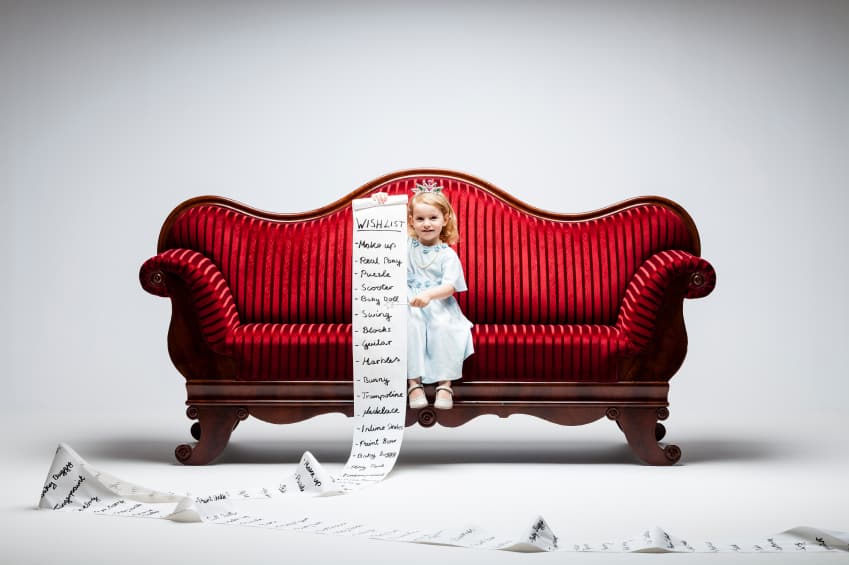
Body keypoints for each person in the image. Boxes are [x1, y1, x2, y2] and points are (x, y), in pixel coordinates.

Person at [372, 181, 474, 410]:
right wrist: (380, 204)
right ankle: (413, 383)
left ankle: (445, 384)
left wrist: (428, 295)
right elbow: (382, 232)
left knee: (444, 327)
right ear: (411, 221)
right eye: (420, 219)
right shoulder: (406, 245)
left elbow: (450, 286)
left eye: (433, 218)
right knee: (411, 324)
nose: (427, 224)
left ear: (445, 219)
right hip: (408, 302)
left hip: (438, 302)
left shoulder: (447, 255)